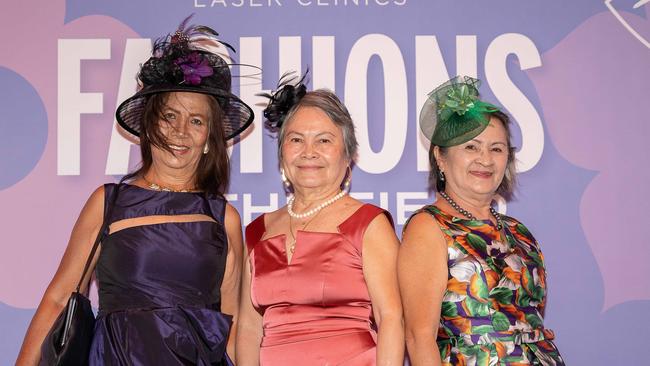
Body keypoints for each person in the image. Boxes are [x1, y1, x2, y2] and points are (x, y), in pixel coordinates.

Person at [16, 17, 253, 365]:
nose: (180, 131)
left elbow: (235, 327)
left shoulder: (224, 219)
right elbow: (58, 299)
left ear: (208, 141)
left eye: (197, 121)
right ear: (149, 123)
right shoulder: (108, 203)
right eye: (169, 116)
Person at [236, 74, 404, 365]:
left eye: (324, 140)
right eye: (296, 140)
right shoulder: (256, 232)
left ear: (348, 154)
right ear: (282, 154)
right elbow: (249, 330)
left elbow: (391, 318)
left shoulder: (368, 224)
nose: (308, 152)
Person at [399, 76, 565, 365]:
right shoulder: (429, 228)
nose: (485, 160)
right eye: (471, 147)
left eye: (497, 149)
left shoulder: (519, 232)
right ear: (440, 156)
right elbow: (418, 337)